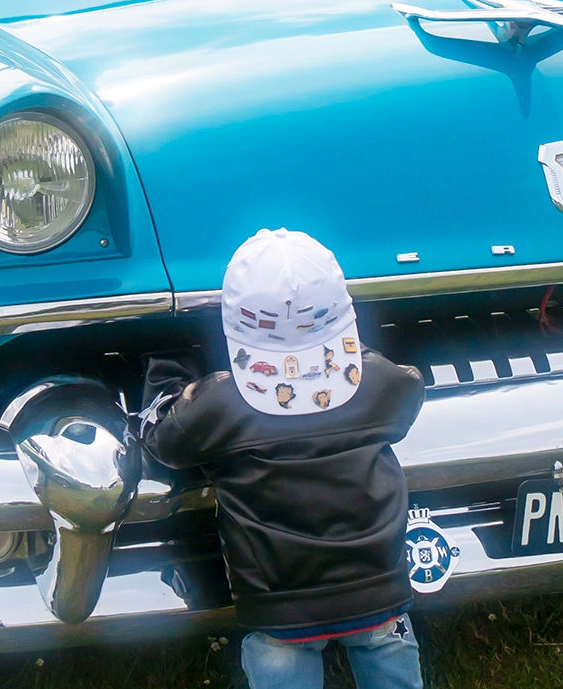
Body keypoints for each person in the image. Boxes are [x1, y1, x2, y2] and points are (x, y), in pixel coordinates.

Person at [140, 228, 426, 689]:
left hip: (279, 605)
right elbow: (411, 389)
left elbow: (163, 441)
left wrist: (169, 372)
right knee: (388, 654)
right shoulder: (378, 382)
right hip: (380, 589)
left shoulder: (222, 404)